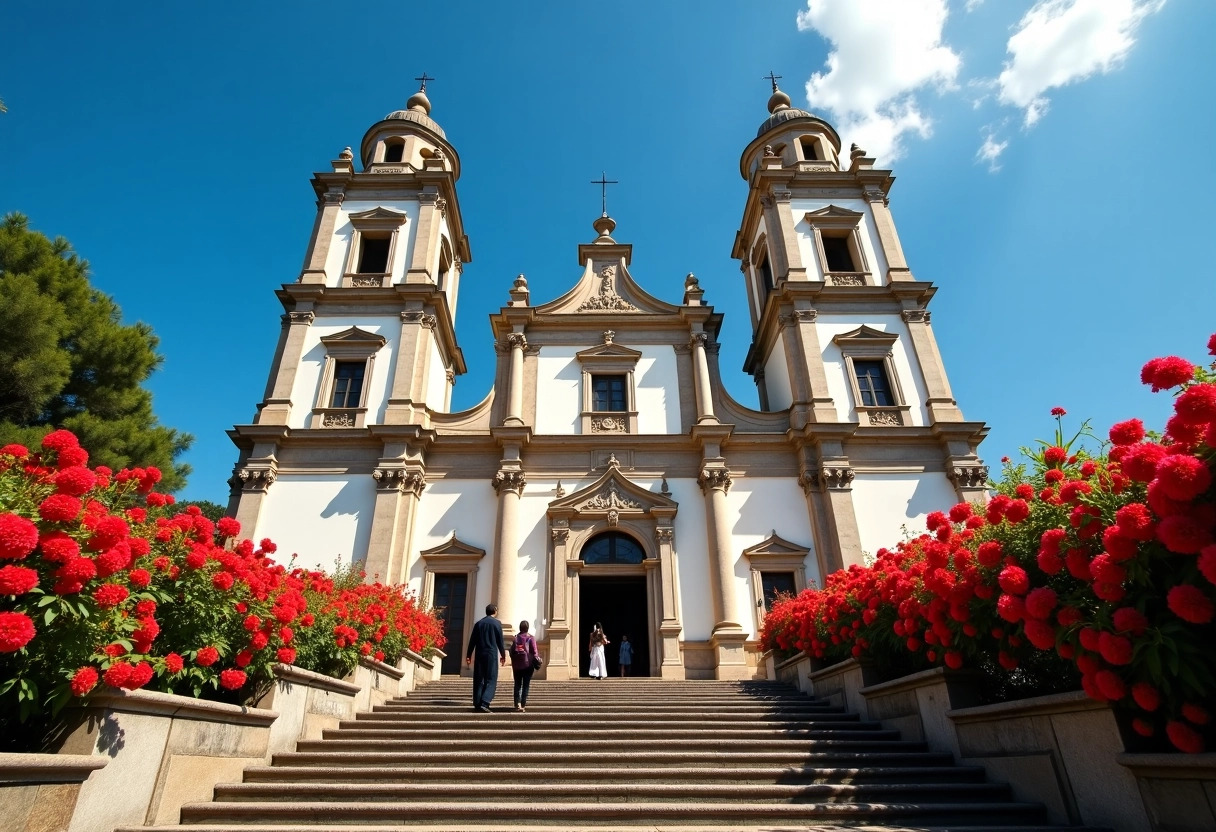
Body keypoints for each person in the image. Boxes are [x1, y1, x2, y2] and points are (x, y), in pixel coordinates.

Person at [465, 603, 506, 712]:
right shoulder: (497, 624)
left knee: (479, 678)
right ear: (495, 611)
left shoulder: (479, 623)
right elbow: (500, 641)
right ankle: (485, 701)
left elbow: (472, 641)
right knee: (491, 678)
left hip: (479, 653)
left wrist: (468, 655)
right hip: (491, 654)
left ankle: (477, 703)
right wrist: (503, 654)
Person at [510, 620, 541, 711]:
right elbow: (535, 652)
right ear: (527, 628)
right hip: (528, 665)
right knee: (526, 685)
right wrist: (538, 661)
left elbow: (512, 652)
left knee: (517, 684)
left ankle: (517, 704)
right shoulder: (531, 638)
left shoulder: (515, 638)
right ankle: (523, 704)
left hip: (517, 665)